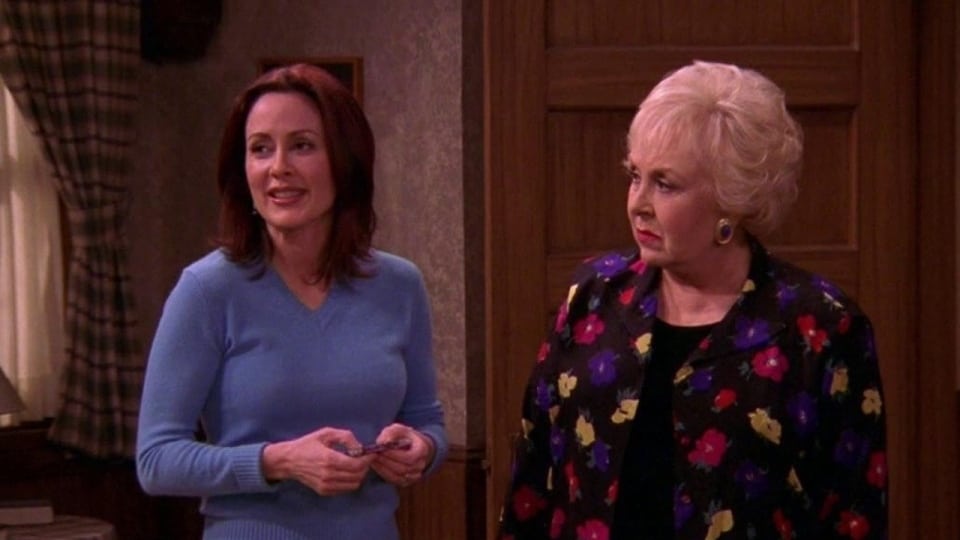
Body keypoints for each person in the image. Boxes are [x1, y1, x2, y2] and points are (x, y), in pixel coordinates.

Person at [497, 61, 886, 539]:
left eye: (665, 184)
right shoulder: (592, 298)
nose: (638, 204)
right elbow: (534, 481)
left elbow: (852, 514)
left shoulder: (820, 327)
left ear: (731, 199)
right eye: (634, 175)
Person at [136, 63, 448, 540]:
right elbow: (156, 461)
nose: (278, 167)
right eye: (260, 149)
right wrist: (278, 461)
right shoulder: (207, 290)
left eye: (302, 145)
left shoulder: (399, 285)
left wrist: (422, 449)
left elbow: (427, 421)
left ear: (344, 161)